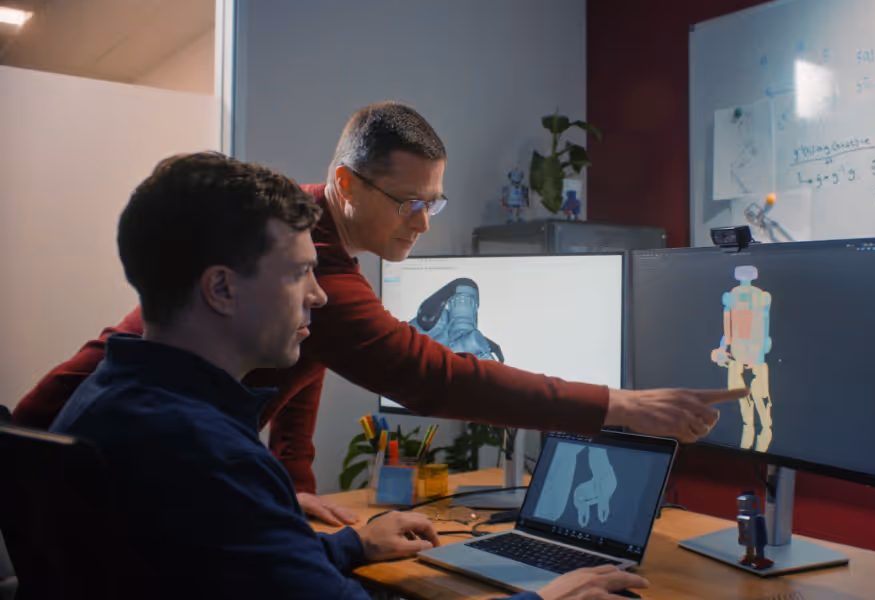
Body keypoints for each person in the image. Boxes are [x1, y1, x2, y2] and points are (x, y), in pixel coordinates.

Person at [15, 101, 746, 526]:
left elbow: (299, 369)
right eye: (409, 202)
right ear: (344, 184)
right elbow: (422, 373)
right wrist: (617, 405)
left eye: (436, 202)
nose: (425, 222)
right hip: (67, 452)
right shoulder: (296, 249)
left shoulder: (320, 254)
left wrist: (293, 493)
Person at [49, 152, 651, 599]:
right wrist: (544, 597)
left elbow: (225, 560)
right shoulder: (207, 455)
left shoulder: (109, 401)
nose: (317, 297)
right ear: (222, 288)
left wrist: (351, 544)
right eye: (297, 274)